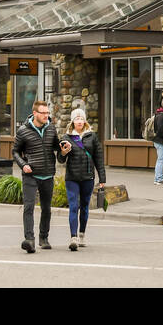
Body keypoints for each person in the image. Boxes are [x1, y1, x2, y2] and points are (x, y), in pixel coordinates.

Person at [12, 99, 62, 253]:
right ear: (35, 113)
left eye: (48, 113)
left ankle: (44, 238)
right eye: (43, 113)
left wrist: (64, 151)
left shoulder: (51, 129)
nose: (47, 115)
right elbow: (15, 151)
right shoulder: (23, 131)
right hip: (31, 175)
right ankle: (30, 240)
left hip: (47, 174)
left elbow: (57, 148)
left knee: (46, 209)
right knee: (29, 207)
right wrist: (23, 165)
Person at [58, 107, 106, 251]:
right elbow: (60, 159)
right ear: (72, 122)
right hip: (72, 177)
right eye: (77, 118)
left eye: (81, 118)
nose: (79, 121)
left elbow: (98, 158)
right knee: (74, 206)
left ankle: (82, 234)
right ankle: (73, 237)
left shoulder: (92, 136)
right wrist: (63, 152)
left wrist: (102, 178)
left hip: (87, 177)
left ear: (85, 121)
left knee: (84, 207)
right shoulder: (66, 138)